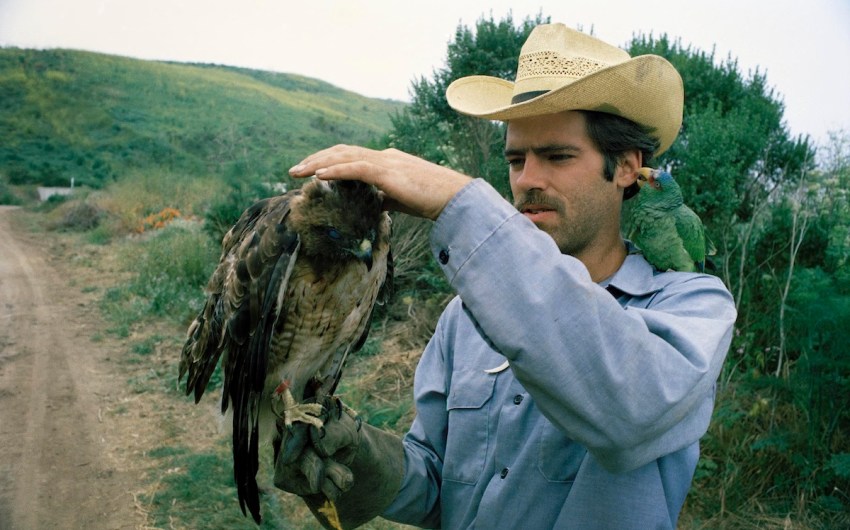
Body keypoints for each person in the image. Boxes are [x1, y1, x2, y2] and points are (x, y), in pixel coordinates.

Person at [275, 23, 737, 529]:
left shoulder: (692, 307)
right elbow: (437, 484)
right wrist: (360, 458)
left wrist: (458, 202)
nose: (527, 180)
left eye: (557, 156)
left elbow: (633, 413)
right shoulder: (464, 317)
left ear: (626, 167)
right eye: (516, 159)